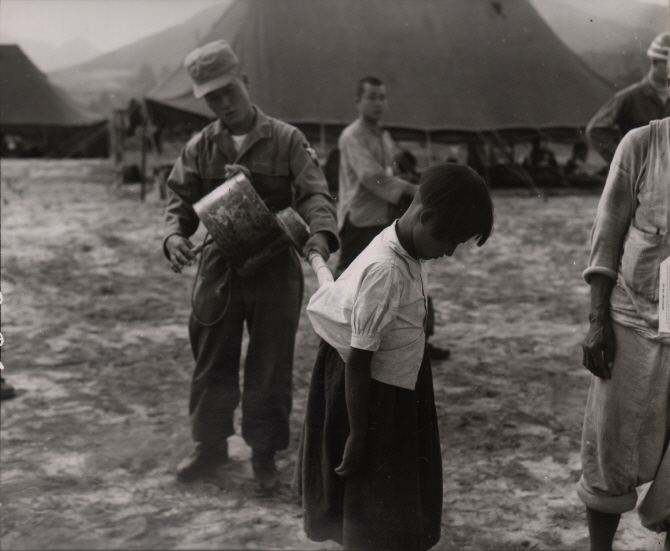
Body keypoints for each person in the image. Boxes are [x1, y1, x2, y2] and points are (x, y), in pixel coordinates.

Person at [163, 40, 339, 495]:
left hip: (274, 264)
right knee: (212, 356)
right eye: (212, 98)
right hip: (220, 265)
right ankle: (210, 446)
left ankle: (264, 454)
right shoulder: (201, 147)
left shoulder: (286, 139)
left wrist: (320, 233)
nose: (223, 105)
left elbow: (315, 194)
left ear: (244, 81)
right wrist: (175, 236)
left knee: (270, 362)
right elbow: (177, 201)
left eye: (228, 92)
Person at [297, 163, 494, 550]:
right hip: (372, 396)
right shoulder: (386, 270)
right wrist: (356, 433)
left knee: (393, 492)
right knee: (372, 493)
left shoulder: (404, 245)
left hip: (398, 383)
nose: (450, 252)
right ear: (427, 217)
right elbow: (358, 359)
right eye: (450, 241)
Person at [578, 55, 670, 551]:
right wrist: (598, 322)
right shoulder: (641, 144)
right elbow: (606, 238)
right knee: (608, 455)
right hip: (630, 319)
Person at [336, 76, 450, 360]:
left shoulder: (382, 136)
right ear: (358, 101)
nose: (378, 103)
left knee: (407, 273)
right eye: (372, 97)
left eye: (382, 97)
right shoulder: (352, 136)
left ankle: (417, 339)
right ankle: (337, 335)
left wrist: (418, 180)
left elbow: (391, 173)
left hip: (384, 216)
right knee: (351, 279)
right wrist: (416, 191)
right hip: (360, 219)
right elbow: (372, 177)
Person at [586, 31, 670, 165]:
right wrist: (625, 161)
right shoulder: (630, 96)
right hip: (639, 178)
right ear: (654, 61)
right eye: (667, 63)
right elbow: (596, 130)